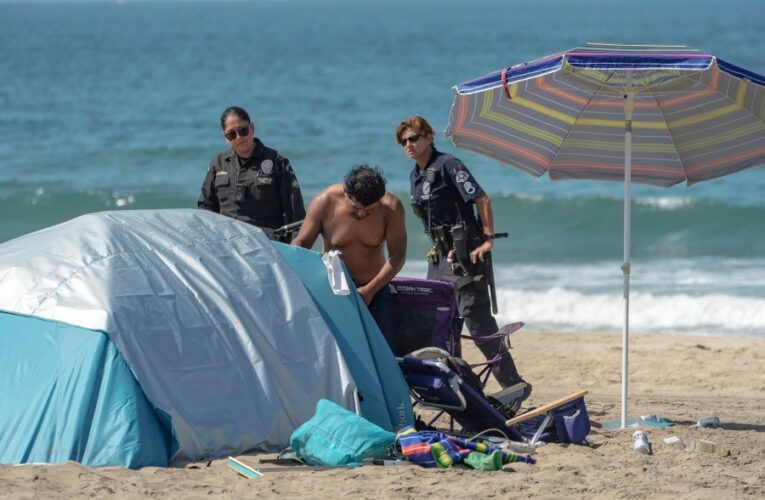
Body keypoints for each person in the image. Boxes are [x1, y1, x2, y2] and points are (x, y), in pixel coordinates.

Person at [396, 115, 531, 398]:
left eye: (413, 138)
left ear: (428, 138)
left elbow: (482, 199)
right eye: (403, 141)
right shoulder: (416, 176)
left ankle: (513, 385)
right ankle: (460, 386)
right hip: (439, 259)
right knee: (443, 323)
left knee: (477, 321)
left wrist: (488, 239)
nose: (408, 144)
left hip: (465, 257)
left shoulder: (448, 165)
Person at [291, 164, 407, 350]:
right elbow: (301, 244)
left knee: (385, 351)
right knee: (333, 352)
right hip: (332, 290)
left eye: (370, 211)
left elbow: (398, 255)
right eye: (356, 208)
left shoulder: (391, 208)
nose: (362, 214)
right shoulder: (324, 202)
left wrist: (369, 290)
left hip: (375, 290)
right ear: (346, 192)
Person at [198, 106, 305, 242]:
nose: (239, 137)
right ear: (225, 137)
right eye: (232, 134)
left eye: (243, 130)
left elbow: (296, 214)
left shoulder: (277, 161)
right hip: (229, 246)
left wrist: (295, 250)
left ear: (252, 128)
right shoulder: (218, 164)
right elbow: (206, 209)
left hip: (268, 245)